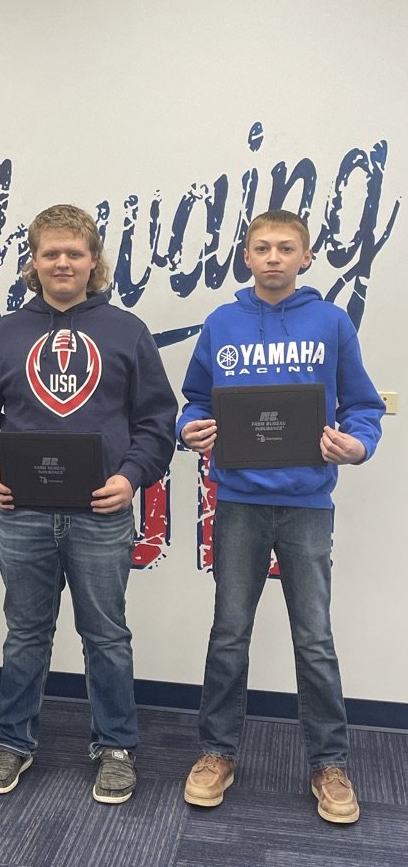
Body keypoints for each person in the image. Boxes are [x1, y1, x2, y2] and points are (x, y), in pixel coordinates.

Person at [0, 203, 178, 804]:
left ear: (93, 262)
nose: (62, 262)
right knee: (25, 633)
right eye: (50, 252)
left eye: (74, 253)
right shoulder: (4, 334)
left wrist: (131, 478)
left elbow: (158, 420)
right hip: (22, 512)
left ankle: (115, 747)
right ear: (33, 261)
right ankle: (13, 742)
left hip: (102, 513)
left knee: (106, 635)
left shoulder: (127, 331)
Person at [177, 208, 384, 823]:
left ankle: (329, 763)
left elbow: (363, 406)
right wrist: (190, 428)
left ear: (305, 257)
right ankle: (217, 753)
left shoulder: (331, 321)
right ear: (246, 256)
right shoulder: (222, 322)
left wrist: (359, 444)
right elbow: (192, 399)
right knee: (229, 633)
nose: (272, 257)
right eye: (262, 247)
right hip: (238, 500)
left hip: (306, 505)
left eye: (285, 247)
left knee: (314, 640)